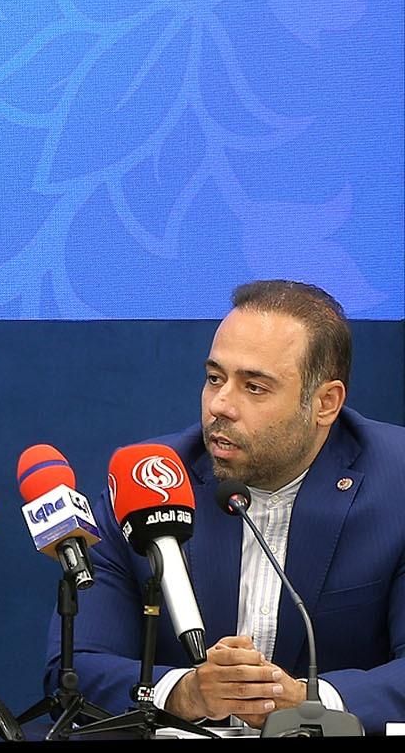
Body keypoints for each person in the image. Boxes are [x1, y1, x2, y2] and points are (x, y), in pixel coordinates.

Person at [54, 280, 405, 731]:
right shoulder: (148, 483)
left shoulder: (394, 483)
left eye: (254, 387)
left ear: (325, 403)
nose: (220, 405)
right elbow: (73, 667)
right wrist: (185, 692)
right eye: (215, 378)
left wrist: (309, 701)